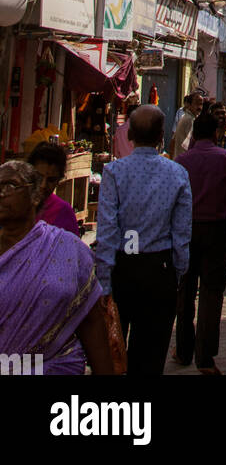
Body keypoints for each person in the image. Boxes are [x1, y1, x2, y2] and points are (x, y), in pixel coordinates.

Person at [94, 105, 193, 376]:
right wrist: (177, 272)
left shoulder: (114, 172)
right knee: (150, 357)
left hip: (122, 267)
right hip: (160, 271)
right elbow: (182, 234)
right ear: (162, 136)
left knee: (113, 354)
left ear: (130, 136)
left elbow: (107, 232)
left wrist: (103, 282)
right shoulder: (177, 174)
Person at [0, 160, 115, 375]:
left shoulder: (67, 250)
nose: (2, 193)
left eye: (10, 185)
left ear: (35, 195)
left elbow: (91, 323)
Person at [174, 112, 226, 374]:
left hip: (185, 234)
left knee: (185, 292)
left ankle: (184, 350)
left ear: (194, 135)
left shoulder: (181, 162)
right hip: (217, 233)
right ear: (215, 134)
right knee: (212, 294)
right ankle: (205, 357)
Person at [27, 142, 79, 235]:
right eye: (39, 177)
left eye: (51, 180)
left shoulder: (64, 213)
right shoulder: (14, 205)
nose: (43, 185)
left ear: (58, 181)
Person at [171, 93, 204, 160]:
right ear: (189, 105)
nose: (199, 107)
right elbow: (189, 145)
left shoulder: (188, 117)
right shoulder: (189, 119)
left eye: (201, 104)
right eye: (196, 103)